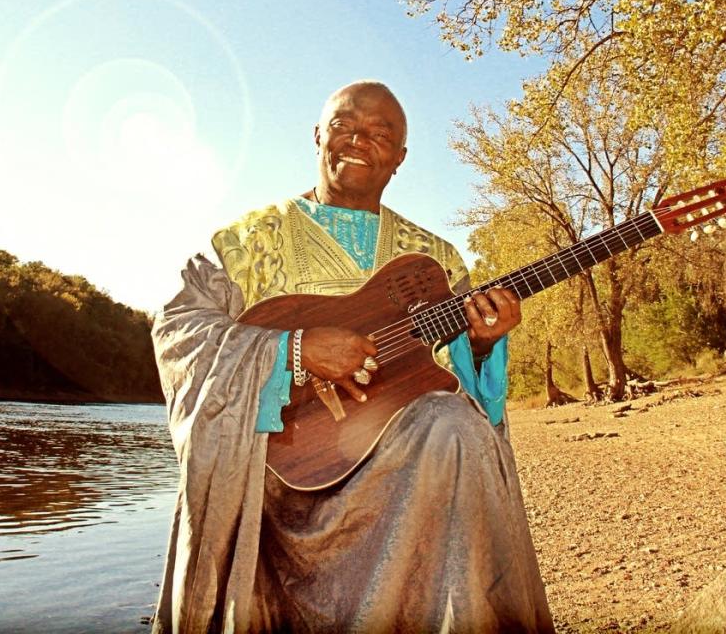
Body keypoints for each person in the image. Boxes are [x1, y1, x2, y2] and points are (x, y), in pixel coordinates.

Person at [151, 81, 554, 633]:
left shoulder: (435, 258)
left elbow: (449, 378)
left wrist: (482, 343)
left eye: (381, 133)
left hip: (411, 462)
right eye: (345, 125)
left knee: (457, 428)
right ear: (318, 136)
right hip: (282, 470)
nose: (361, 140)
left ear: (400, 159)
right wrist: (291, 350)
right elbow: (180, 331)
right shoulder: (245, 242)